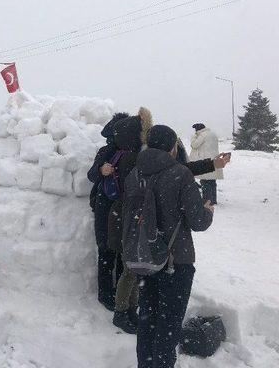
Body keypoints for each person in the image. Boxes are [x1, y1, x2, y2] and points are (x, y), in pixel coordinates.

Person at [126, 125, 214, 368]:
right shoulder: (180, 174)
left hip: (145, 259)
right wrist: (207, 212)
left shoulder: (134, 173)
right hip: (175, 262)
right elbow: (197, 222)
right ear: (173, 147)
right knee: (168, 328)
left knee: (147, 322)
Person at [105, 107, 152, 333]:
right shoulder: (134, 159)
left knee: (133, 267)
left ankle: (131, 309)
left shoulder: (125, 155)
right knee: (130, 269)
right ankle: (121, 312)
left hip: (124, 217)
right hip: (127, 220)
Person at [87, 112, 129, 311]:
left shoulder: (134, 150)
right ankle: (105, 294)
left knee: (124, 252)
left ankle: (122, 293)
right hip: (105, 207)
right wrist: (101, 170)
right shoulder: (106, 150)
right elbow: (91, 174)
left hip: (126, 208)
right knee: (106, 250)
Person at [190, 123, 223, 204]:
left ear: (198, 129)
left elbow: (194, 145)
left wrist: (194, 136)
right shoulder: (212, 134)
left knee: (205, 181)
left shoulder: (202, 135)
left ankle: (207, 201)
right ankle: (213, 200)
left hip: (205, 160)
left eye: (195, 130)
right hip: (214, 159)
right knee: (212, 181)